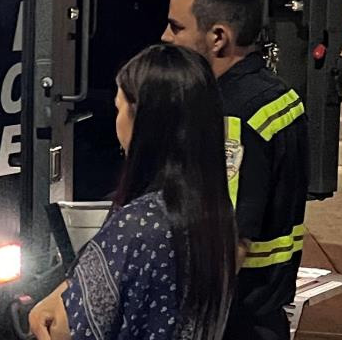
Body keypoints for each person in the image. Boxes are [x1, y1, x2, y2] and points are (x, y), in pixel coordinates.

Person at [29, 45, 240, 340]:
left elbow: (64, 329)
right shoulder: (217, 214)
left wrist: (48, 306)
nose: (117, 123)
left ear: (142, 120)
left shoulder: (138, 225)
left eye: (119, 108)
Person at [163, 0, 310, 340]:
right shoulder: (276, 94)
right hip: (264, 309)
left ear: (217, 37)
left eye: (176, 27)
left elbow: (227, 243)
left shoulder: (232, 117)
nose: (165, 38)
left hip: (232, 319)